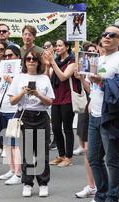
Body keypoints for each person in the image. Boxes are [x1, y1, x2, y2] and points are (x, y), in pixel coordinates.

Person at [79, 25, 119, 202]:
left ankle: (113, 200)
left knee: (112, 160)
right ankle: (101, 196)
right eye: (104, 34)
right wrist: (83, 79)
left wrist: (101, 81)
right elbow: (92, 88)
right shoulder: (98, 59)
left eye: (112, 35)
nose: (107, 37)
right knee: (93, 157)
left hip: (111, 115)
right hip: (94, 113)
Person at [8, 49, 55, 198]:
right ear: (24, 62)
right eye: (28, 59)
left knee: (42, 152)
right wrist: (22, 92)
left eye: (34, 59)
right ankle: (27, 183)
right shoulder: (18, 78)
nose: (31, 61)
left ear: (38, 62)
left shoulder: (44, 78)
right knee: (27, 152)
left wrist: (37, 94)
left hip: (41, 115)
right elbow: (12, 101)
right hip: (25, 115)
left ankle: (43, 183)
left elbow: (49, 102)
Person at [45, 39, 78, 168]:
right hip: (56, 98)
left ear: (67, 47)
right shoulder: (57, 61)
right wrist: (48, 66)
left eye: (60, 45)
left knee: (68, 128)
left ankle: (69, 157)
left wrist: (53, 62)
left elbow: (63, 76)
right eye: (56, 45)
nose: (57, 48)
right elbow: (47, 78)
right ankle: (61, 154)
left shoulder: (72, 61)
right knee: (56, 128)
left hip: (67, 98)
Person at [74, 43, 98, 199]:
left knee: (96, 152)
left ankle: (99, 185)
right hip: (87, 108)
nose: (91, 55)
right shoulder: (85, 70)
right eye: (88, 53)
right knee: (86, 150)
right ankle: (92, 185)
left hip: (99, 110)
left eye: (94, 52)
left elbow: (93, 91)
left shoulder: (102, 68)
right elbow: (88, 90)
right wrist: (82, 78)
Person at [0, 45, 23, 185]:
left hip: (15, 110)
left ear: (17, 56)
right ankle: (11, 169)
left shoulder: (21, 71)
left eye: (10, 55)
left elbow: (22, 90)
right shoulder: (3, 69)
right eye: (5, 55)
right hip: (3, 109)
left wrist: (10, 81)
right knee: (7, 143)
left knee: (15, 143)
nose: (7, 58)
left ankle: (18, 173)